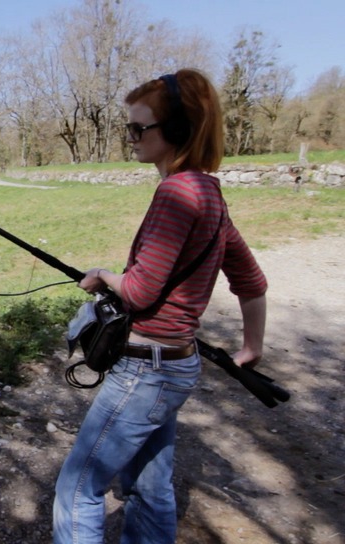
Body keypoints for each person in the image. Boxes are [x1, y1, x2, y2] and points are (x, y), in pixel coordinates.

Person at [52, 68, 269, 543]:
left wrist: (104, 277)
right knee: (150, 486)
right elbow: (251, 281)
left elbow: (141, 291)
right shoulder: (210, 194)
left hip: (145, 373)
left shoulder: (176, 192)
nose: (129, 138)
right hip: (177, 364)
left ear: (177, 131)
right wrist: (251, 346)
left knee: (78, 489)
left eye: (137, 128)